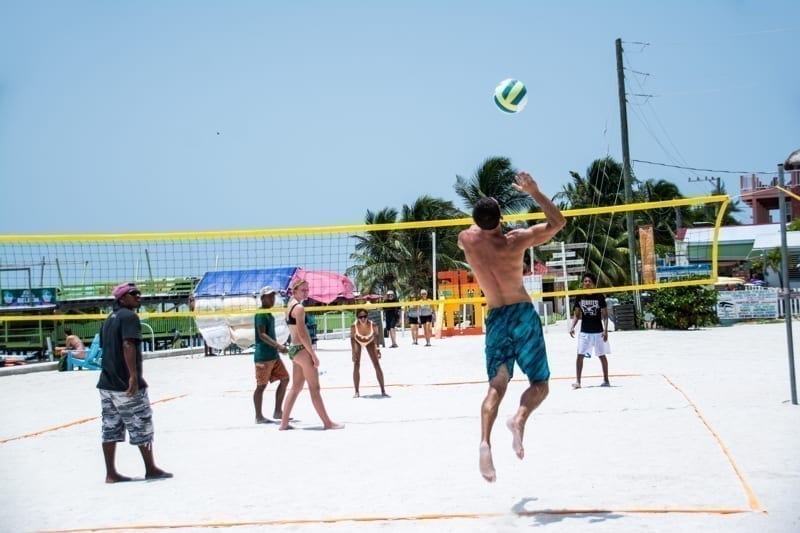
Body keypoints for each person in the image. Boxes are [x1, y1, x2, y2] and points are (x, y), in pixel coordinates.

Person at [457, 171, 565, 483]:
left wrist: (486, 218)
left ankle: (484, 443)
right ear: (501, 217)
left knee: (497, 385)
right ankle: (518, 419)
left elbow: (476, 226)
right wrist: (535, 191)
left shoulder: (467, 240)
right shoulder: (515, 240)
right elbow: (558, 223)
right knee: (540, 384)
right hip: (521, 313)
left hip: (496, 317)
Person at [97, 282, 172, 483]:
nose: (138, 296)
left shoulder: (108, 320)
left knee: (110, 426)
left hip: (107, 383)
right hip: (124, 383)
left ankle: (111, 473)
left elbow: (106, 348)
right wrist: (133, 376)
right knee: (142, 424)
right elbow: (128, 344)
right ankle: (151, 468)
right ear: (122, 299)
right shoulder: (129, 316)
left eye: (138, 293)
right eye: (133, 294)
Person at [279, 279, 343, 430]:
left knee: (296, 387)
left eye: (307, 289)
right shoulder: (299, 308)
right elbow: (302, 333)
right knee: (314, 388)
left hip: (294, 350)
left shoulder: (289, 306)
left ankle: (283, 423)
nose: (306, 292)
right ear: (294, 291)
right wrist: (313, 354)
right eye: (303, 290)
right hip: (301, 349)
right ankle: (327, 423)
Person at [253, 286, 290, 424]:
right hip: (263, 356)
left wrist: (278, 347)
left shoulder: (269, 313)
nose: (272, 298)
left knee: (285, 379)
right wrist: (278, 346)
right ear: (262, 298)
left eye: (273, 296)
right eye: (269, 296)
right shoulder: (261, 313)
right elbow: (262, 335)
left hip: (273, 356)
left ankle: (277, 412)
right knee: (261, 386)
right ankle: (258, 416)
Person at [569, 272, 611, 389]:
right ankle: (578, 381)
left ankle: (606, 380)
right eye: (585, 281)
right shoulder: (580, 296)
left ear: (593, 283)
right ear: (583, 283)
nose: (587, 283)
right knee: (580, 355)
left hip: (598, 331)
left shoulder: (599, 296)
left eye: (589, 281)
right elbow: (577, 315)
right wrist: (572, 326)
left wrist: (606, 330)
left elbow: (605, 315)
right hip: (585, 332)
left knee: (602, 356)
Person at [350, 308, 388, 398]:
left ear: (367, 317)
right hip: (357, 341)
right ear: (357, 317)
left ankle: (383, 390)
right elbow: (352, 338)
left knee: (377, 364)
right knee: (356, 364)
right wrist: (353, 353)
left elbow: (377, 336)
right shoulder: (354, 326)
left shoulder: (373, 325)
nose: (363, 318)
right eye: (360, 317)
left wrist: (378, 349)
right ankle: (356, 391)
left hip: (369, 341)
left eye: (365, 316)